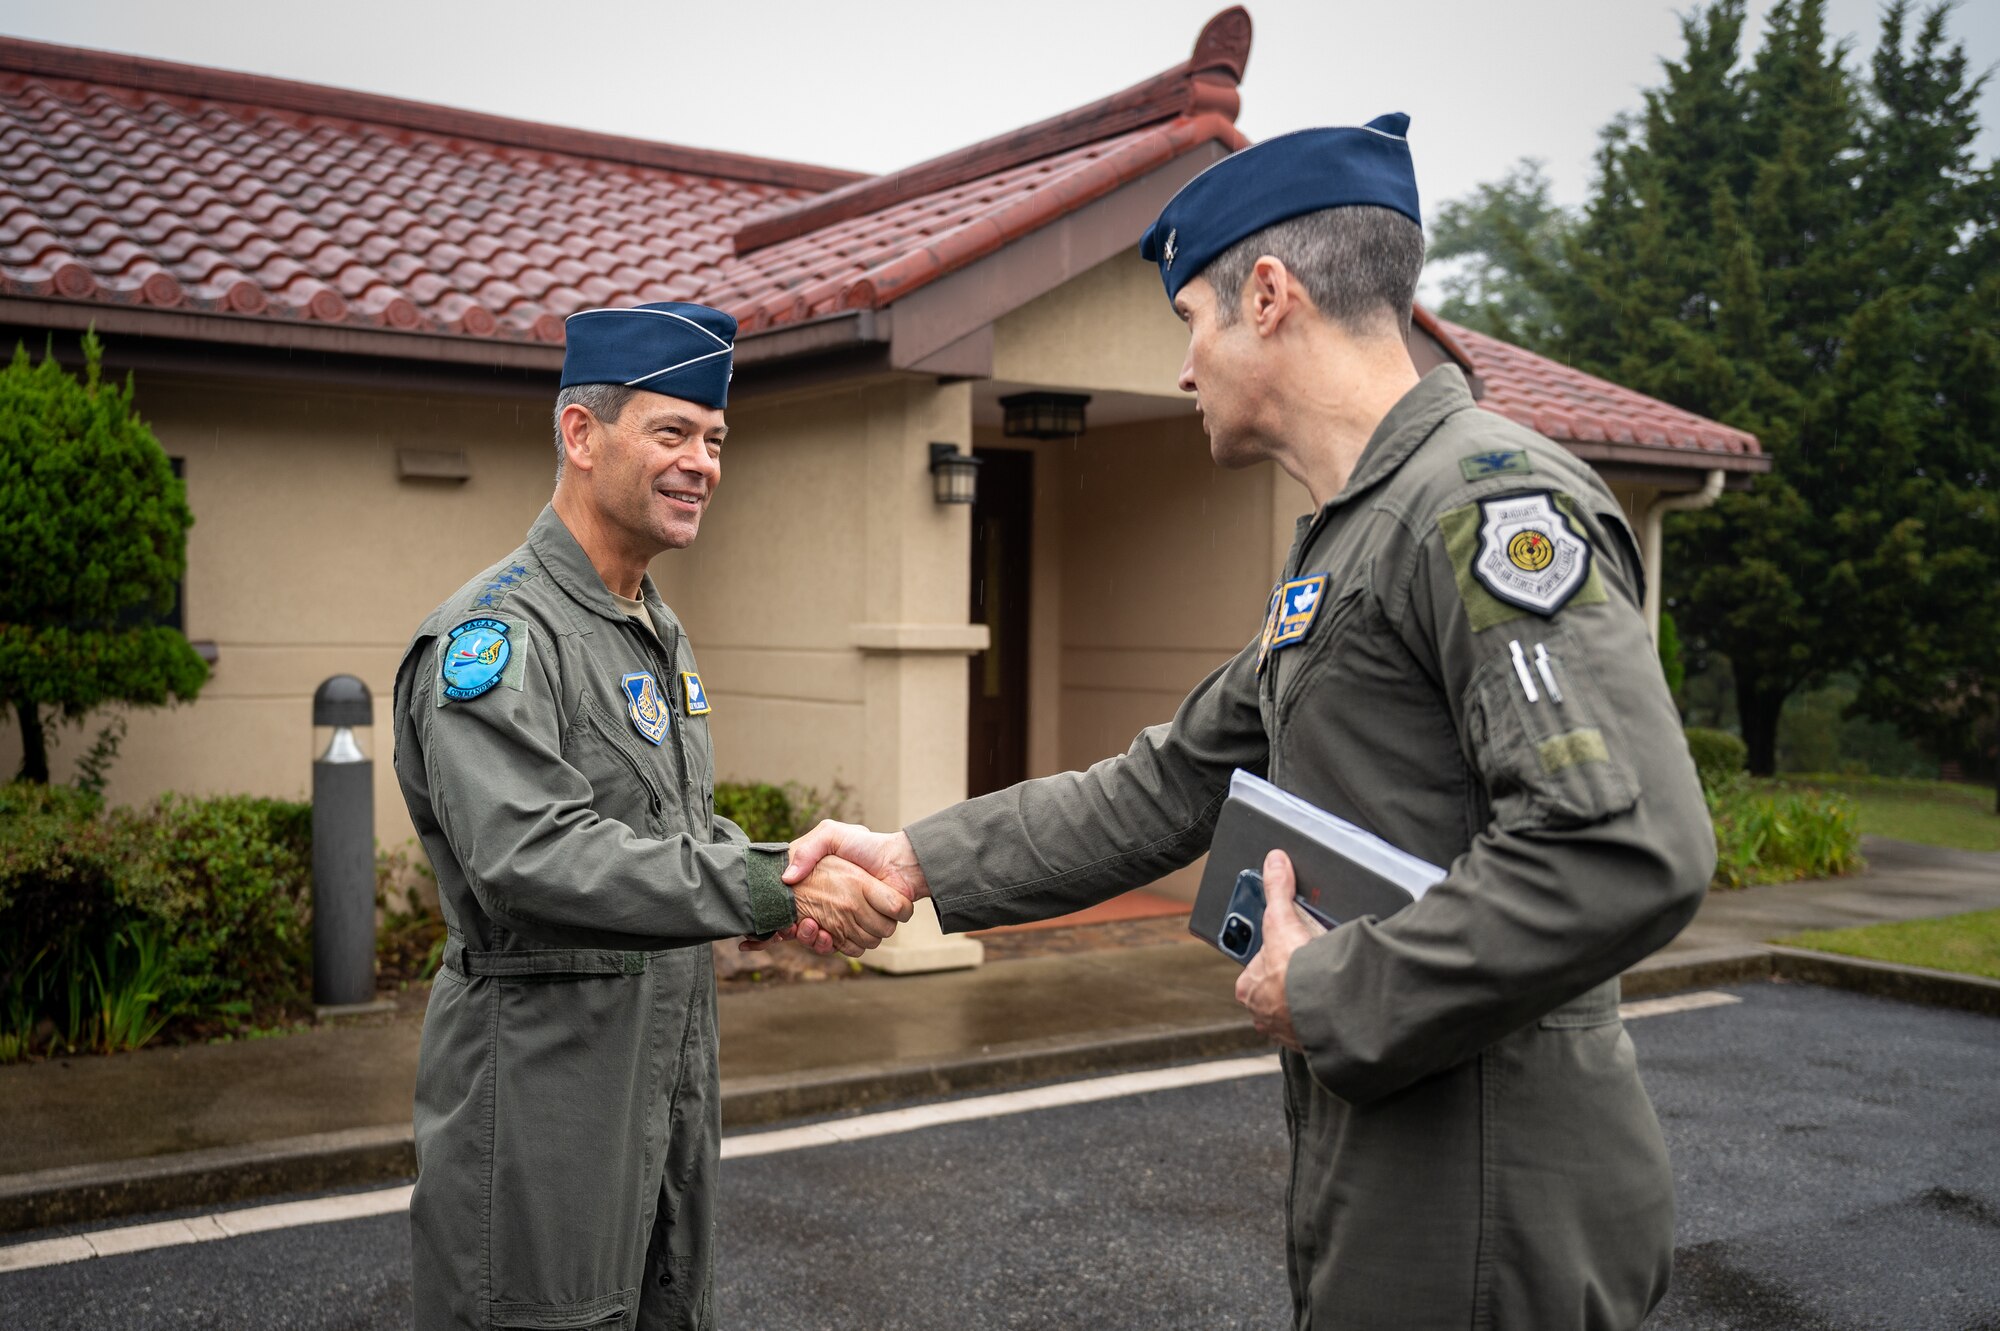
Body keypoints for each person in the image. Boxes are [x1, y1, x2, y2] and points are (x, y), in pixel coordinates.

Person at [783, 117, 1716, 1329]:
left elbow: (1625, 845)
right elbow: (1168, 784)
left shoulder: (1483, 503)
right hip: (1390, 1136)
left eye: (1190, 321)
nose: (1182, 369)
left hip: (1487, 1173)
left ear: (1266, 296)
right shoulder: (1348, 542)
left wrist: (1333, 987)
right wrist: (912, 861)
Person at [390, 300, 910, 1331]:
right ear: (579, 435)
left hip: (662, 1096)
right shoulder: (499, 635)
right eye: (671, 431)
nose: (702, 463)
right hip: (543, 1112)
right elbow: (528, 854)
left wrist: (781, 871)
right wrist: (765, 884)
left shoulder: (648, 626)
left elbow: (673, 841)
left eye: (714, 439)